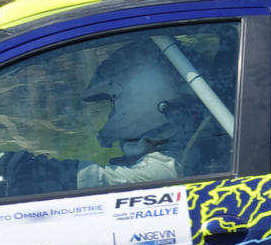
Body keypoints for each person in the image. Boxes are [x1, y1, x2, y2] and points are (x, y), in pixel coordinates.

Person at [76, 41, 194, 188]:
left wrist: (54, 172)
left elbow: (98, 179)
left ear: (143, 97)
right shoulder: (170, 146)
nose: (111, 114)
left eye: (114, 101)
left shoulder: (168, 165)